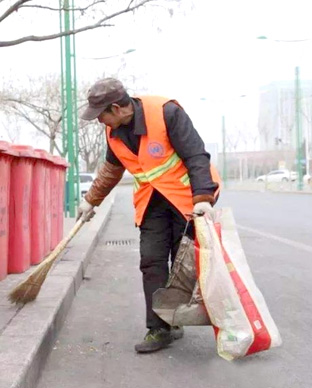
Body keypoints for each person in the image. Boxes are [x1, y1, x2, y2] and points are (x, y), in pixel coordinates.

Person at [78, 78, 221, 353]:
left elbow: (196, 156)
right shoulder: (114, 133)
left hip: (187, 200)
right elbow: (111, 171)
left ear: (118, 108)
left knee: (183, 263)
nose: (100, 122)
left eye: (101, 115)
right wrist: (90, 201)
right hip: (153, 203)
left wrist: (203, 198)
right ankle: (159, 328)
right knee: (151, 261)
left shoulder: (166, 113)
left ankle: (183, 317)